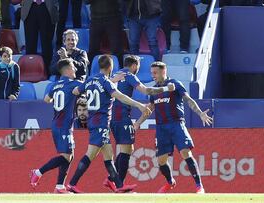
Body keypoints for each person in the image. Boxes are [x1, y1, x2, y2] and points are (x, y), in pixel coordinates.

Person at [66, 55, 151, 193]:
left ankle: (119, 186)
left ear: (99, 66)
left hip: (93, 120)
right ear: (110, 67)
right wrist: (139, 105)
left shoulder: (90, 79)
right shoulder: (106, 82)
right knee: (90, 154)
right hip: (101, 122)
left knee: (109, 156)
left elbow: (75, 91)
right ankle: (72, 183)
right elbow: (121, 96)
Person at [135, 61, 213, 193]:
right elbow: (150, 109)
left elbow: (188, 99)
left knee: (185, 153)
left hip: (176, 124)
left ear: (163, 71)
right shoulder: (154, 90)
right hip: (161, 128)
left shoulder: (175, 84)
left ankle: (199, 186)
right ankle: (170, 182)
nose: (153, 75)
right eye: (151, 73)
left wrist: (200, 113)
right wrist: (138, 122)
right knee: (161, 160)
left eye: (155, 72)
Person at [104, 55, 175, 191]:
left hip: (113, 116)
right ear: (135, 66)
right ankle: (119, 183)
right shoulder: (129, 74)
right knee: (126, 150)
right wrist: (166, 89)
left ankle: (111, 179)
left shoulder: (115, 75)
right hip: (122, 116)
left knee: (127, 149)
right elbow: (146, 90)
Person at [30, 58, 82, 193]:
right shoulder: (73, 84)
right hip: (63, 125)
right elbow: (85, 87)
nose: (75, 70)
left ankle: (60, 186)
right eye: (74, 67)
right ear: (69, 69)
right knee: (66, 156)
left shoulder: (55, 85)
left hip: (58, 123)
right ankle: (38, 172)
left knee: (70, 155)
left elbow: (47, 99)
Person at [21, 0, 59, 74]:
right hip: (30, 7)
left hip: (48, 7)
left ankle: (47, 71)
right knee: (30, 43)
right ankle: (31, 70)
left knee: (47, 44)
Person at [85, 0, 124, 68]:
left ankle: (119, 70)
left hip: (113, 18)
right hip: (95, 19)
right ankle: (91, 70)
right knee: (93, 48)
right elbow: (86, 1)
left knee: (117, 48)